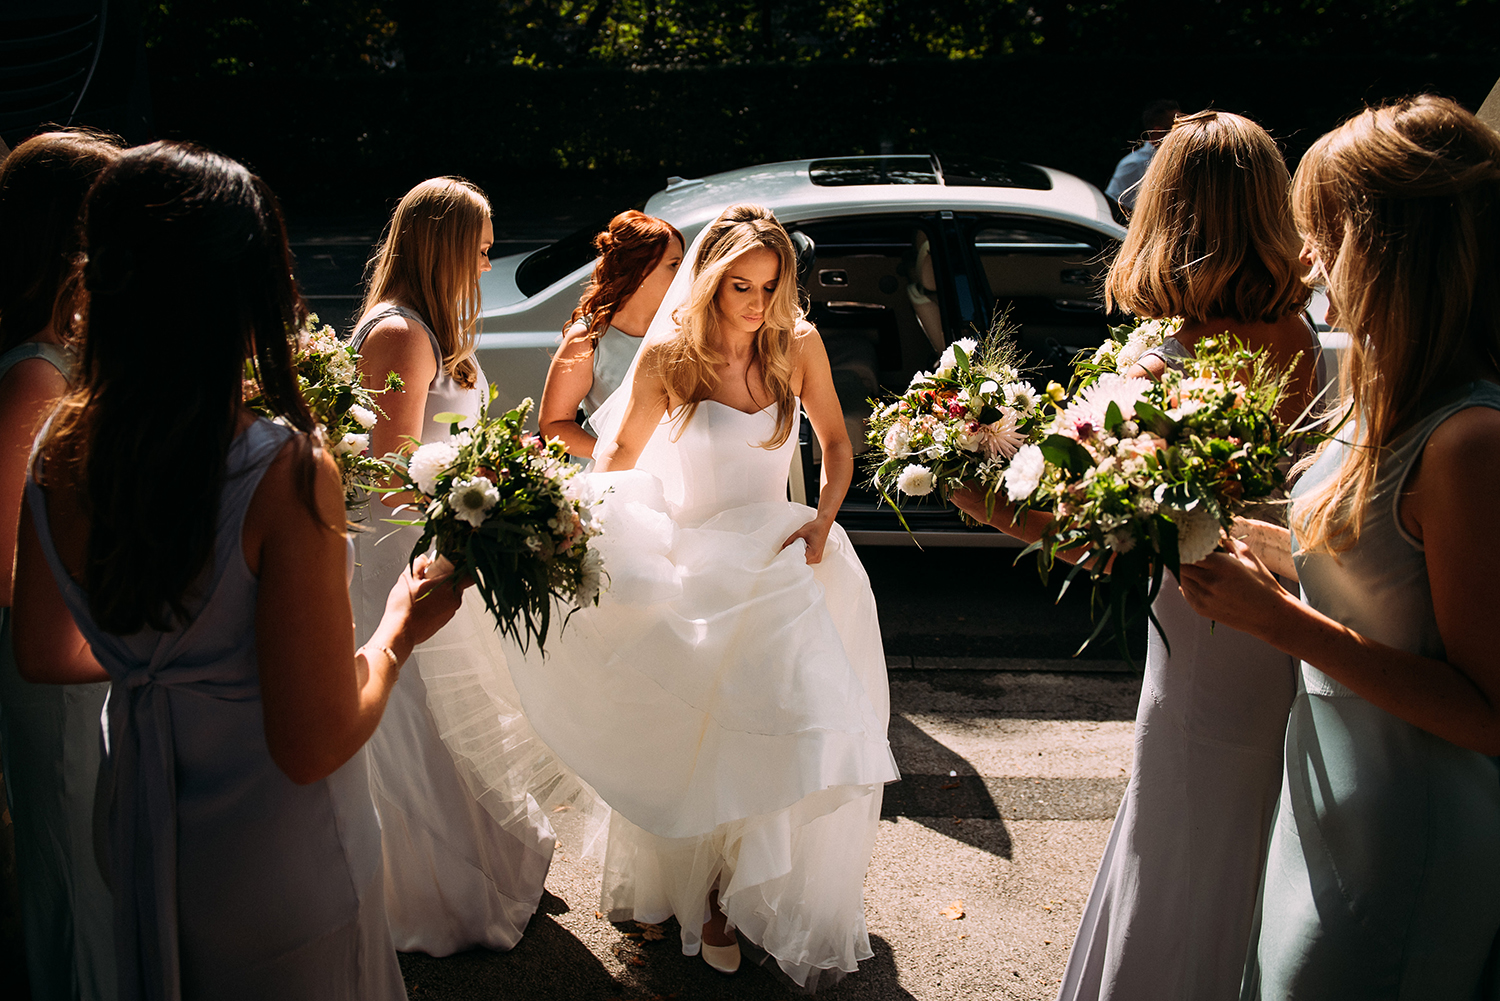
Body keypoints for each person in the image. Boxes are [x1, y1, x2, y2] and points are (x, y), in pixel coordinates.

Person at [10, 140, 464, 1001]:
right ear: (244, 293)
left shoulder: (57, 448)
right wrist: (401, 626)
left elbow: (41, 649)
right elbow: (311, 744)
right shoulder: (280, 469)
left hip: (136, 824)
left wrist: (170, 666)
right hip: (273, 863)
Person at [438, 203, 899, 988]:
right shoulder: (671, 356)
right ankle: (710, 900)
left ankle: (746, 885)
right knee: (706, 742)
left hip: (789, 561)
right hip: (698, 567)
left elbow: (837, 441)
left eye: (772, 285)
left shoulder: (800, 345)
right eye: (741, 287)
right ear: (713, 283)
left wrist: (823, 519)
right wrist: (563, 522)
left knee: (788, 729)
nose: (757, 305)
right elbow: (615, 457)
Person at [954, 110, 1323, 1001]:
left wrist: (988, 504)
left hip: (1206, 636)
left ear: (1171, 208)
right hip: (1270, 625)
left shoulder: (1184, 357)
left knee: (1182, 840)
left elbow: (1125, 540)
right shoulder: (1294, 337)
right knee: (1230, 841)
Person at [1177, 95, 1500, 998]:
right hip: (1324, 807)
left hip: (1412, 827)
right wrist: (1258, 547)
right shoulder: (1380, 396)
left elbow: (1489, 710)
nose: (1309, 260)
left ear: (1391, 245)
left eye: (1324, 231)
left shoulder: (1470, 438)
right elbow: (1384, 577)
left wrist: (1281, 624)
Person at [351, 176, 557, 956]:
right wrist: (482, 502)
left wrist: (493, 471)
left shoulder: (428, 330)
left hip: (430, 545)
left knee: (458, 717)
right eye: (477, 250)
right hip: (399, 553)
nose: (486, 263)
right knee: (418, 722)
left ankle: (476, 860)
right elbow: (386, 468)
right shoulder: (401, 332)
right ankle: (432, 889)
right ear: (442, 249)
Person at [0, 128, 121, 1001]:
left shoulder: (70, 359)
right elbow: (4, 565)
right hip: (55, 666)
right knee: (77, 880)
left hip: (84, 649)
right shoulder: (33, 378)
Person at [539, 210, 683, 457]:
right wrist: (616, 455)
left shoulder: (682, 330)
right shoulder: (588, 339)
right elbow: (554, 425)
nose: (683, 274)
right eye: (674, 265)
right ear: (640, 271)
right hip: (613, 477)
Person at [1105, 99, 1180, 212]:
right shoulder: (1134, 164)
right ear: (1159, 131)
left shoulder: (1178, 160)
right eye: (1176, 128)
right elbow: (1112, 206)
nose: (1183, 132)